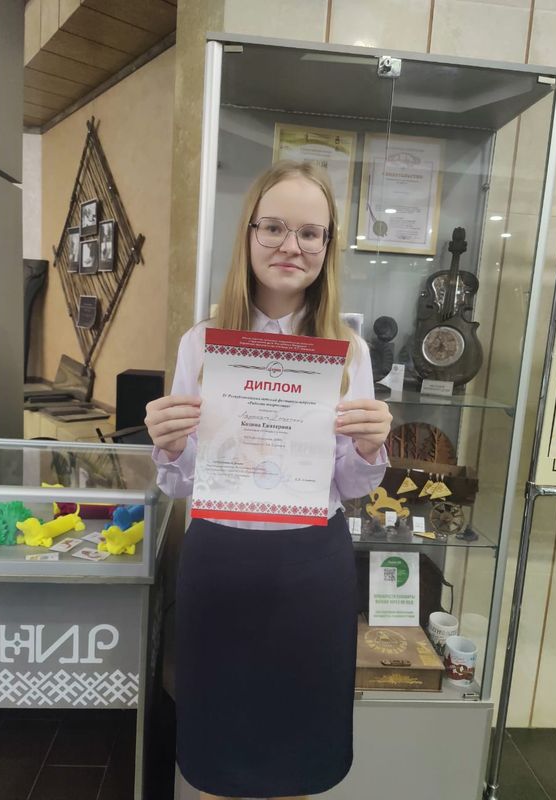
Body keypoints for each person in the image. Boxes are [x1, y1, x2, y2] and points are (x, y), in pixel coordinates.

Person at [145, 160, 392, 800]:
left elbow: (349, 485)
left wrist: (370, 446)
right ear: (249, 234)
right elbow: (182, 484)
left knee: (297, 758)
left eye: (310, 233)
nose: (291, 246)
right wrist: (169, 445)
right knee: (218, 754)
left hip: (311, 567)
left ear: (327, 245)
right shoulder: (202, 343)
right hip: (221, 563)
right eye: (275, 227)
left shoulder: (350, 351)